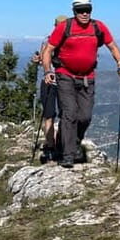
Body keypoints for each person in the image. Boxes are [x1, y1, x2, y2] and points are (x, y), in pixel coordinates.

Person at [41, 0, 120, 169]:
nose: (85, 13)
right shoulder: (64, 27)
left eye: (88, 9)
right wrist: (48, 70)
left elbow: (112, 46)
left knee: (85, 116)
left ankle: (72, 141)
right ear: (74, 12)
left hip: (88, 78)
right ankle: (68, 155)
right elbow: (48, 50)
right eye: (81, 10)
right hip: (65, 75)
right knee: (69, 113)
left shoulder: (98, 27)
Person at [32, 15, 67, 164]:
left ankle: (56, 144)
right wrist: (38, 60)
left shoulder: (48, 40)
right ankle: (52, 145)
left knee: (58, 116)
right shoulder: (48, 41)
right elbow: (41, 59)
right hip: (53, 81)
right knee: (50, 115)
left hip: (59, 82)